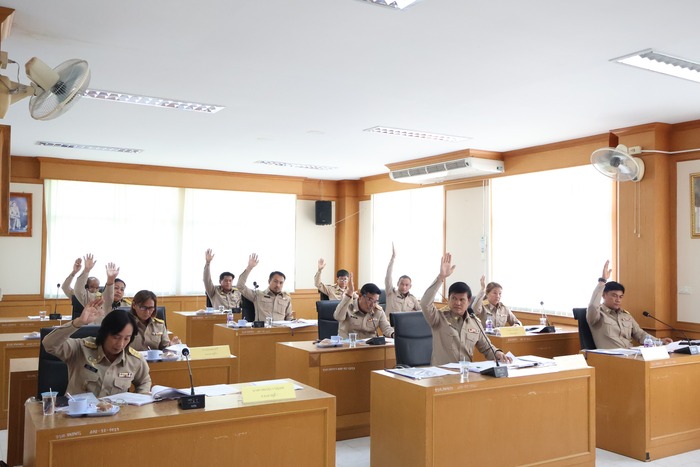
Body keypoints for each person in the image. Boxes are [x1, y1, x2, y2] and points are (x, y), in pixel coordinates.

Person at [42, 298, 151, 397]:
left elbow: (144, 382)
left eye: (126, 338)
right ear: (104, 333)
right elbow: (49, 344)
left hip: (116, 412)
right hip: (79, 412)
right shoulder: (81, 348)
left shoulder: (134, 360)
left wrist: (138, 400)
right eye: (116, 337)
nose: (121, 344)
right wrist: (78, 322)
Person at [420, 253, 511, 366]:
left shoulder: (475, 323)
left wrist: (498, 353)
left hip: (466, 373)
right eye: (454, 298)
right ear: (448, 299)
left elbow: (487, 348)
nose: (457, 303)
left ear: (468, 301)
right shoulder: (438, 318)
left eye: (462, 299)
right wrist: (441, 277)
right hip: (442, 373)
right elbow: (425, 304)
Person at [587, 260, 672, 349]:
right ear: (603, 295)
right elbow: (593, 306)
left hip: (629, 353)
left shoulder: (625, 315)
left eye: (621, 297)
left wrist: (659, 341)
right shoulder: (597, 315)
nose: (618, 300)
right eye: (614, 296)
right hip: (610, 356)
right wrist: (602, 281)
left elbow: (640, 334)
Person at [333, 274, 394, 339]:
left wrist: (394, 334)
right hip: (348, 343)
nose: (372, 305)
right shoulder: (348, 306)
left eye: (375, 301)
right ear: (360, 296)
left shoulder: (378, 311)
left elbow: (386, 328)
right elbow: (338, 317)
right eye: (369, 300)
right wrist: (349, 293)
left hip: (368, 344)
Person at [237, 253, 293, 321]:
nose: (278, 285)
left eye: (281, 283)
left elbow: (289, 318)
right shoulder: (258, 295)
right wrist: (249, 267)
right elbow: (240, 286)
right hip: (263, 327)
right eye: (275, 281)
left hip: (280, 327)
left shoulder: (286, 299)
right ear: (269, 281)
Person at [384, 244, 421, 316]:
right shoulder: (391, 293)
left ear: (410, 286)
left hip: (406, 323)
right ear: (398, 284)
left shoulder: (412, 298)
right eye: (402, 284)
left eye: (407, 285)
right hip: (390, 323)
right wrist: (393, 259)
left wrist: (413, 313)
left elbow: (422, 311)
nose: (404, 287)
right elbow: (388, 277)